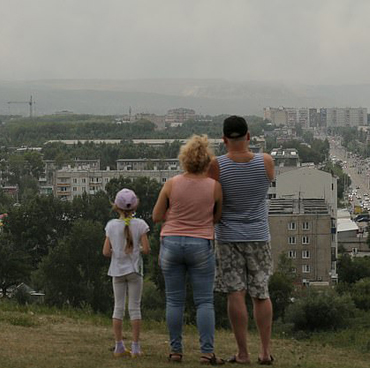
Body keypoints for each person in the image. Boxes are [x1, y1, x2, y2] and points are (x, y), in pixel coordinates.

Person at [208, 115, 275, 365]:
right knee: (261, 292)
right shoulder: (265, 162)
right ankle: (265, 352)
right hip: (259, 236)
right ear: (248, 136)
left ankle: (243, 353)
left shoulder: (216, 166)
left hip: (228, 237)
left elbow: (213, 199)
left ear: (224, 139)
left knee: (235, 293)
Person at [152, 135, 224, 365]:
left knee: (174, 301)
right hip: (200, 244)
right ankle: (206, 352)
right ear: (207, 161)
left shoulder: (172, 183)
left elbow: (156, 216)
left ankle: (175, 351)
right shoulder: (215, 187)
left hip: (171, 243)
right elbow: (217, 217)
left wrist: (174, 217)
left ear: (184, 159)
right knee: (204, 301)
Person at [103, 188, 150, 358]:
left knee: (118, 308)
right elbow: (146, 250)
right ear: (134, 206)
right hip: (135, 270)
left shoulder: (111, 226)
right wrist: (136, 248)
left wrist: (117, 251)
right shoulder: (141, 225)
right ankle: (136, 347)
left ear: (116, 206)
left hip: (117, 271)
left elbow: (106, 252)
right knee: (135, 308)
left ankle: (119, 346)